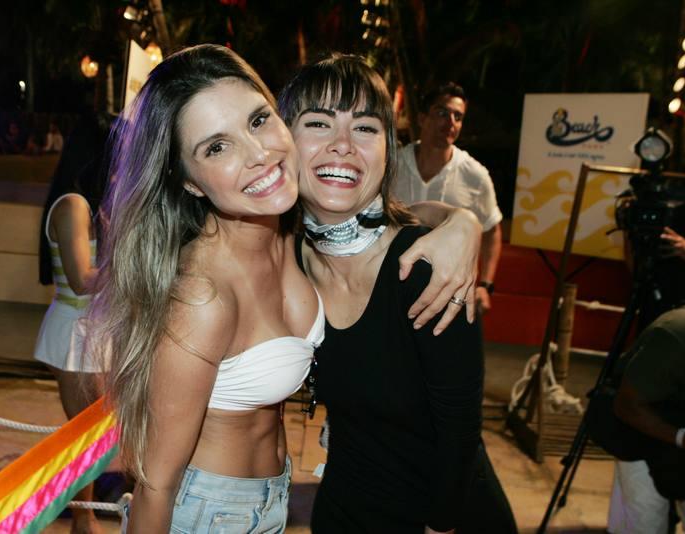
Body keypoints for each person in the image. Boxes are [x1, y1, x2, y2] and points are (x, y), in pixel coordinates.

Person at [89, 44, 481, 534]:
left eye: (257, 121)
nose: (258, 154)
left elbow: (370, 220)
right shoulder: (202, 295)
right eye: (216, 147)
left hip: (276, 502)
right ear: (189, 181)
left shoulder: (291, 238)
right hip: (207, 513)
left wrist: (461, 222)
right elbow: (156, 486)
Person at [279, 54, 517, 533]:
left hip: (442, 514)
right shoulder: (286, 261)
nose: (343, 144)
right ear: (284, 141)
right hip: (346, 504)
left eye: (365, 128)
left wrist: (440, 525)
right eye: (319, 123)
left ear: (388, 150)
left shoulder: (428, 266)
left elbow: (459, 432)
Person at [34, 113, 111, 534]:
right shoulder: (72, 205)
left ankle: (86, 517)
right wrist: (134, 263)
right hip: (75, 332)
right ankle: (84, 519)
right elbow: (82, 279)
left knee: (93, 434)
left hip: (93, 327)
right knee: (85, 438)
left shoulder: (92, 206)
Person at [393, 82, 502, 315]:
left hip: (450, 297)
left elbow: (492, 230)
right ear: (422, 118)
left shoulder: (475, 176)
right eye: (442, 113)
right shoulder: (391, 166)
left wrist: (485, 286)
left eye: (458, 116)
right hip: (392, 287)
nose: (451, 122)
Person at [603, 306, 685, 534]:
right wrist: (681, 437)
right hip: (639, 431)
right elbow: (627, 405)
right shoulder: (674, 335)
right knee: (645, 523)